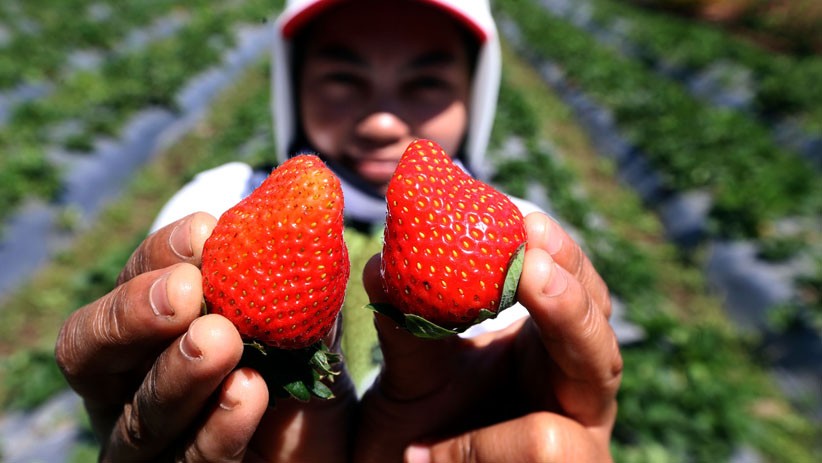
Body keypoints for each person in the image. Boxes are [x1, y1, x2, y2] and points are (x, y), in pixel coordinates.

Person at [55, 0, 623, 461]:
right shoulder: (219, 204)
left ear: (476, 89)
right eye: (342, 78)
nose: (382, 121)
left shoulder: (509, 241)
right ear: (293, 82)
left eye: (425, 82)